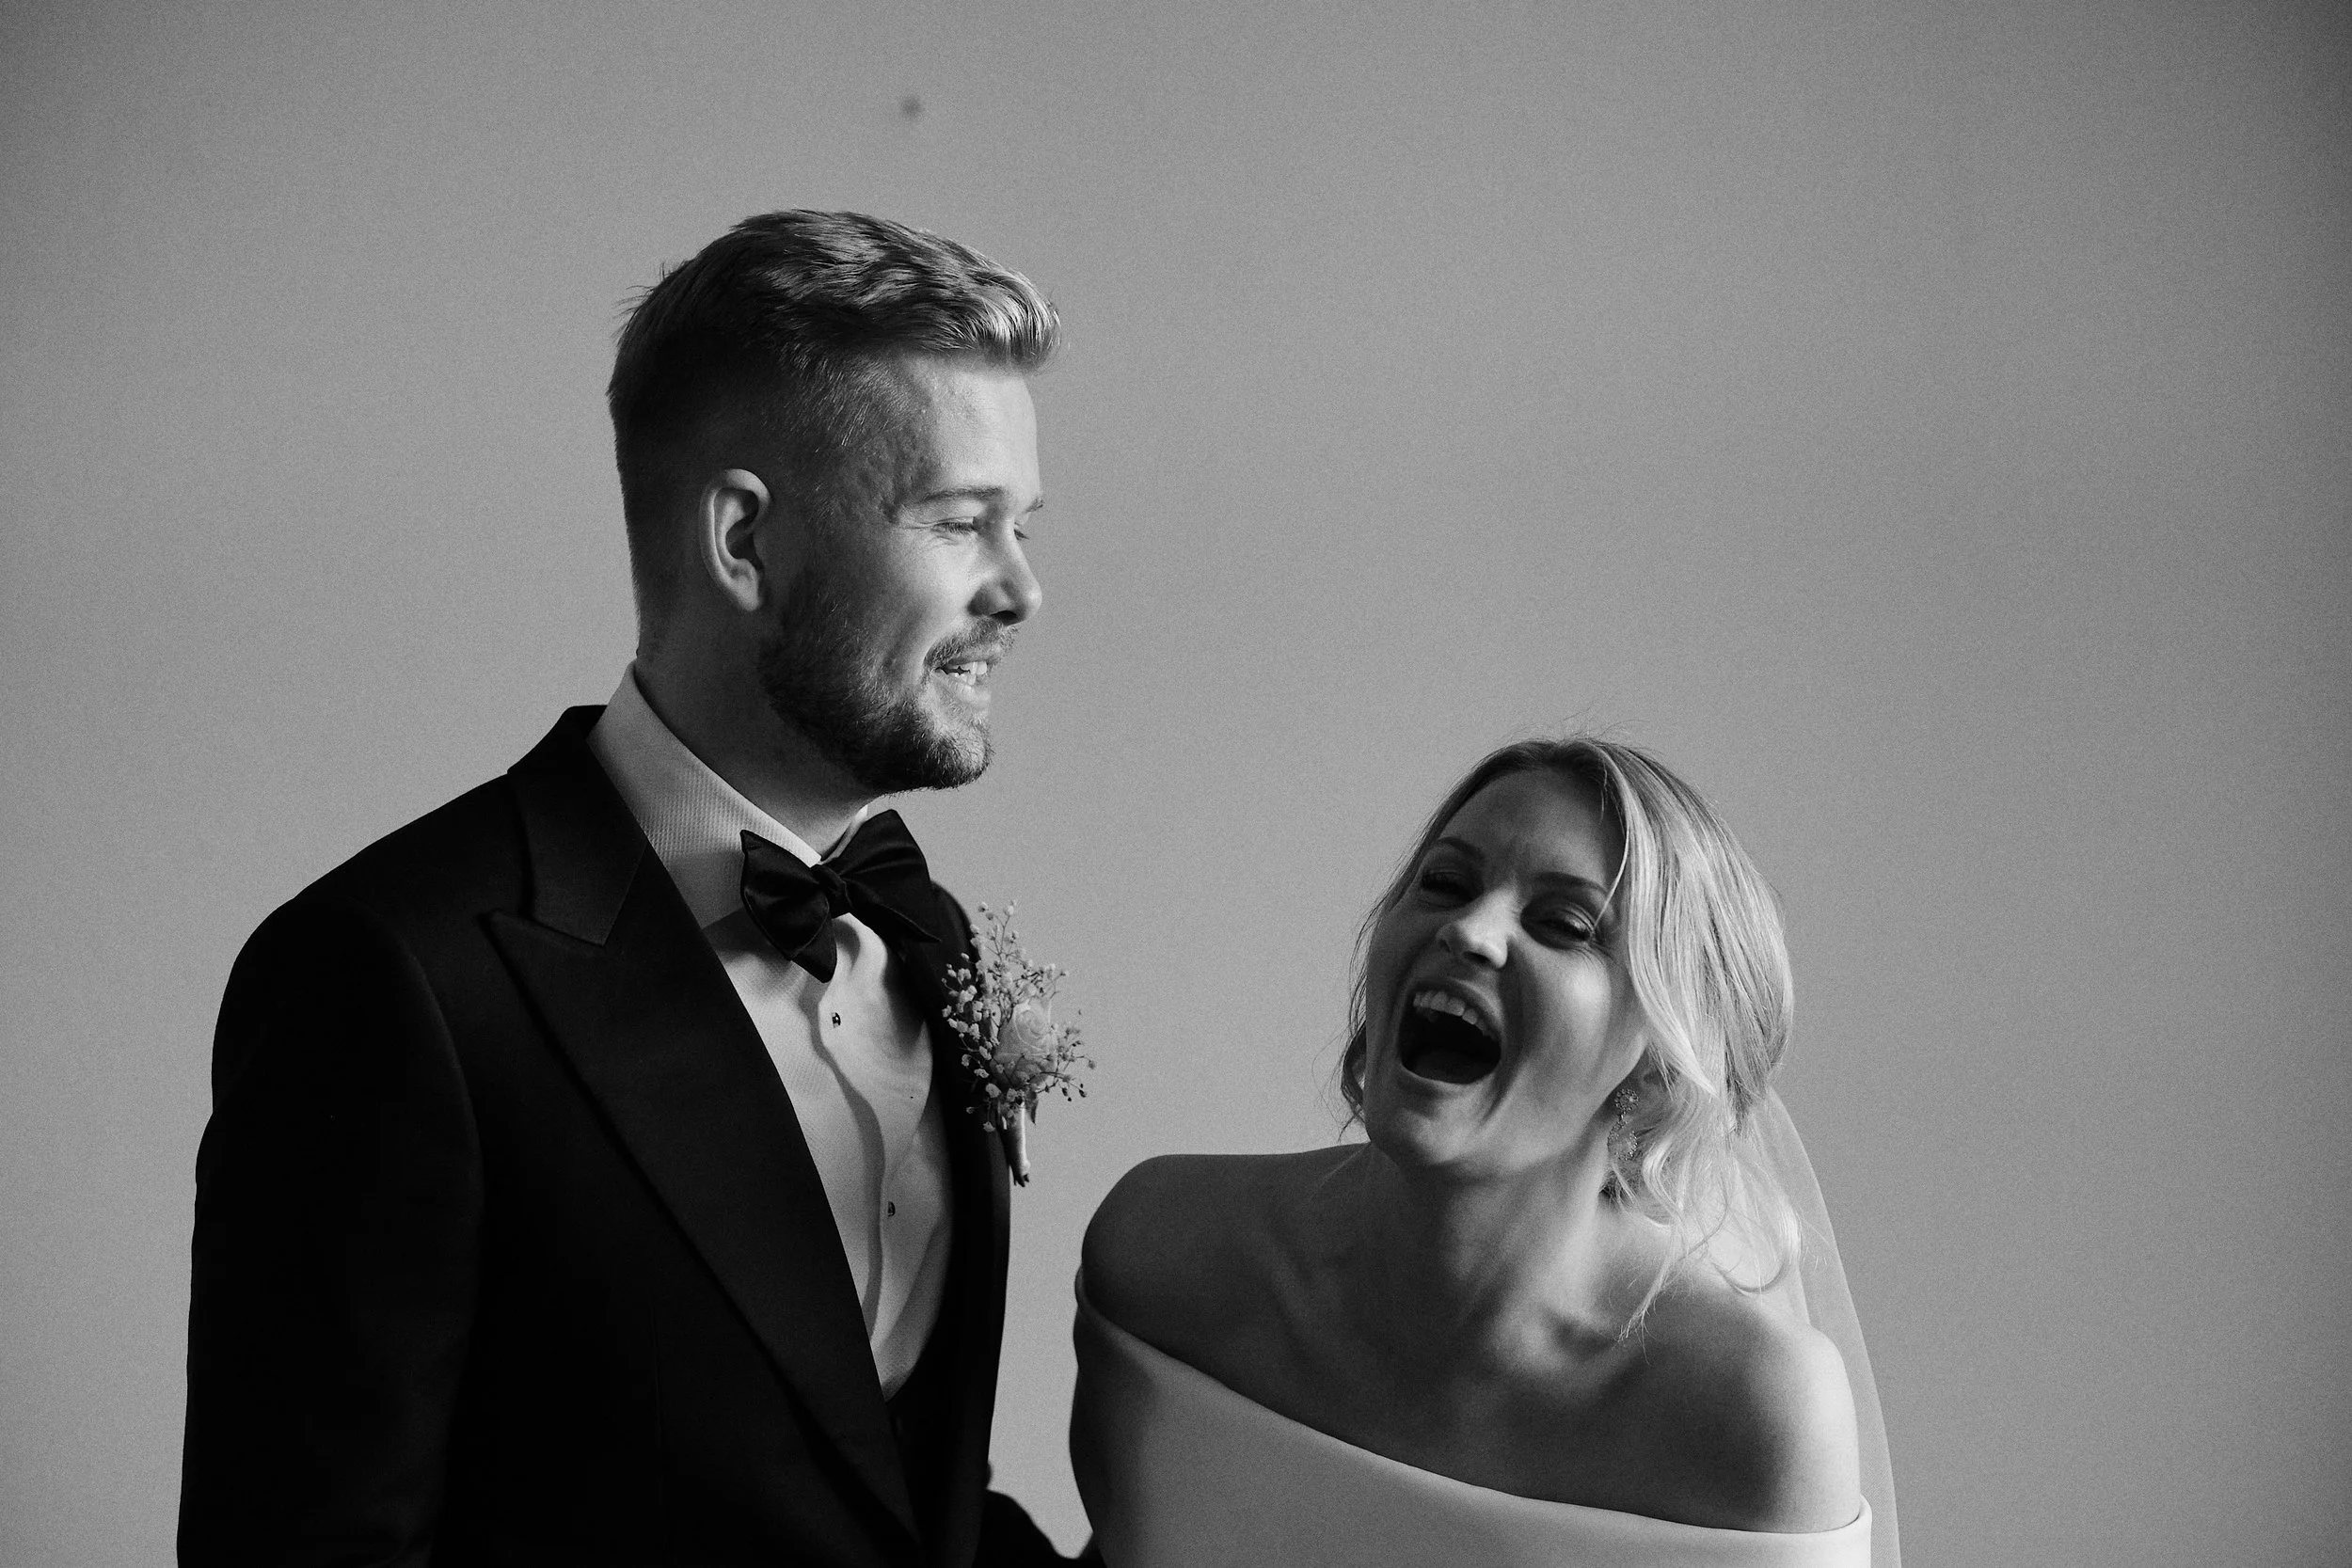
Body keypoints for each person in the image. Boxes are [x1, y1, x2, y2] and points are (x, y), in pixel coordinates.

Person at [182, 211, 1075, 1566]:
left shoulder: (925, 936)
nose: (1022, 589)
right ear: (742, 541)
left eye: (1021, 526)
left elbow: (890, 1492)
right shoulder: (393, 975)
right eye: (961, 522)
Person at [1073, 738, 1900, 1567]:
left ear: (1656, 1067)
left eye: (1566, 924)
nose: (1470, 929)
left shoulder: (1750, 1413)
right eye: (1444, 882)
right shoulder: (1164, 1257)